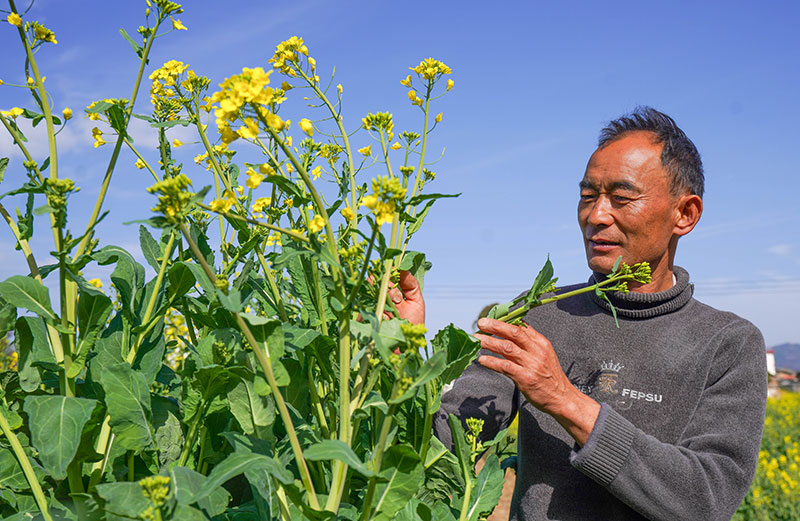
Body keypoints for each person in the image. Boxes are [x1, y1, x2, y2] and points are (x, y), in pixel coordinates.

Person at [390, 106, 767, 521]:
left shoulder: (728, 343)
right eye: (588, 196)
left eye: (622, 198)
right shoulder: (539, 312)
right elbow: (443, 440)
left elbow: (706, 499)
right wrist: (402, 354)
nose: (596, 216)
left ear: (685, 214)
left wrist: (564, 400)